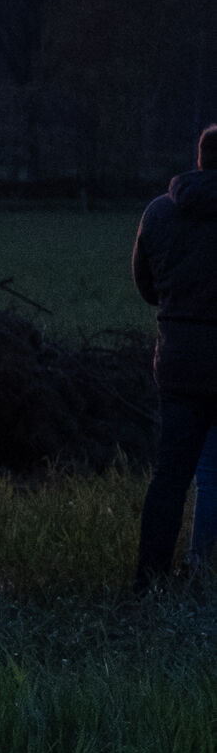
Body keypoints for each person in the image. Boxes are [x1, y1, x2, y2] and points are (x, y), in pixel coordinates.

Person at [130, 127, 217, 586]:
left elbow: (145, 285)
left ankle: (150, 578)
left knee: (170, 477)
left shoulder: (160, 212)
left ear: (199, 159)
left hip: (180, 359)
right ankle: (203, 568)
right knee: (215, 474)